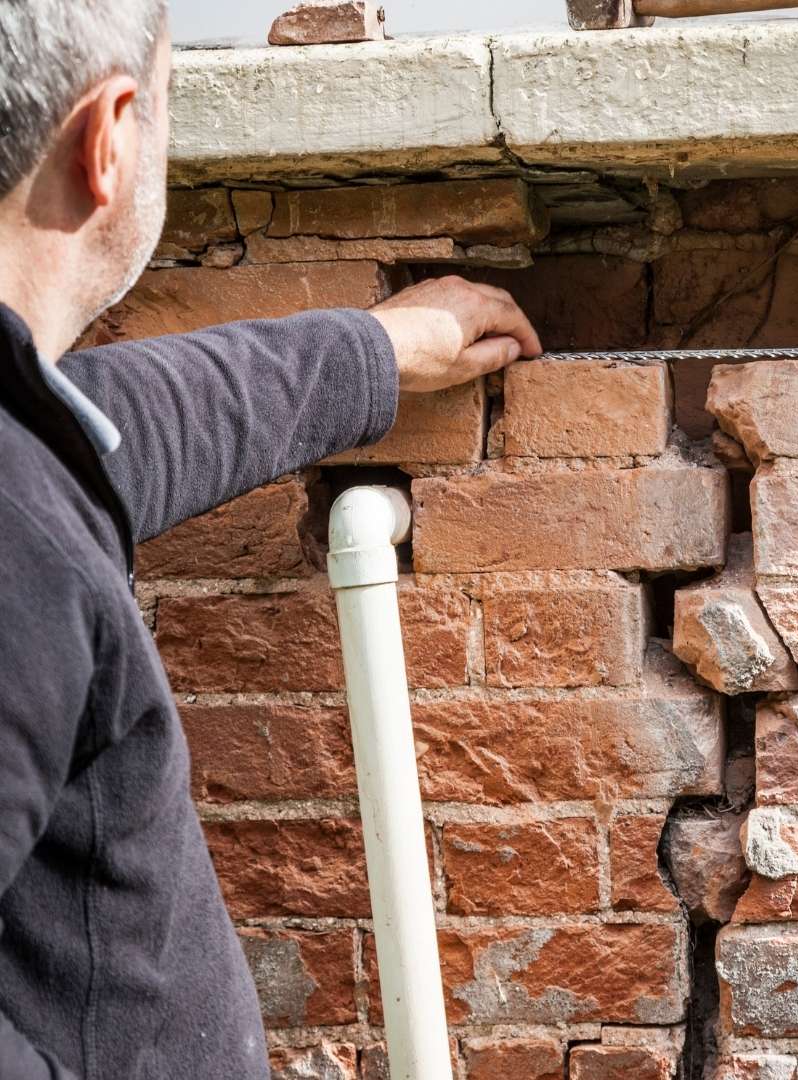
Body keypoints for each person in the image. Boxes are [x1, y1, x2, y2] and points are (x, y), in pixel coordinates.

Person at [0, 3, 542, 1077]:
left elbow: (107, 432)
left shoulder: (25, 450)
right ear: (107, 138)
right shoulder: (13, 542)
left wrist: (370, 353)